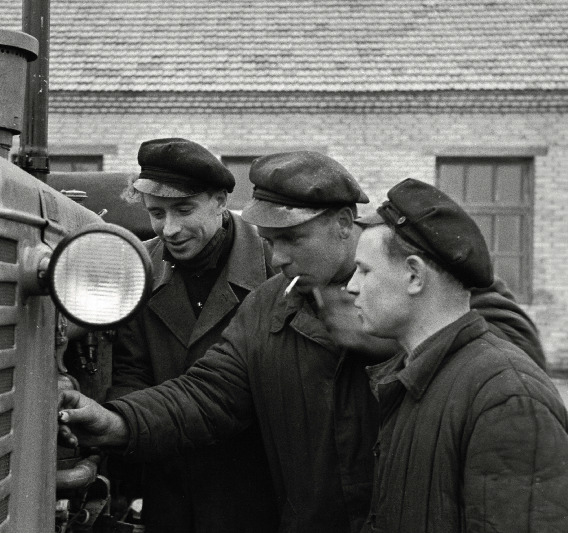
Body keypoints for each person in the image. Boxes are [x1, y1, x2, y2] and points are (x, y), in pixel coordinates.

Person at [58, 151, 544, 533]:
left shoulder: (425, 272)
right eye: (269, 241)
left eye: (293, 238)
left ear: (341, 224)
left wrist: (386, 336)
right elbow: (208, 393)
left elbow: (502, 361)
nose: (279, 255)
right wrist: (116, 420)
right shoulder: (273, 303)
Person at [346, 178, 568, 532]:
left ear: (415, 276)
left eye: (365, 270)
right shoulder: (414, 377)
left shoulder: (507, 397)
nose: (351, 285)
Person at [108, 137, 278, 533]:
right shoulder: (138, 269)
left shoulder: (276, 265)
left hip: (256, 489)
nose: (170, 229)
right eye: (156, 213)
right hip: (170, 487)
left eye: (185, 210)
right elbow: (128, 371)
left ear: (220, 201)